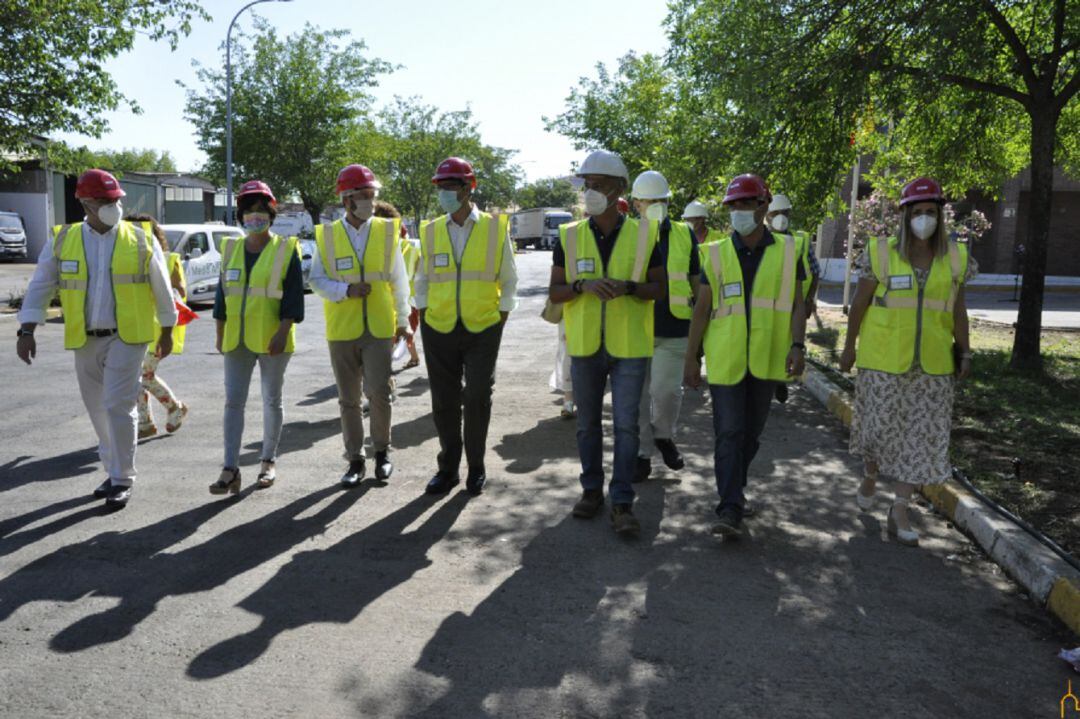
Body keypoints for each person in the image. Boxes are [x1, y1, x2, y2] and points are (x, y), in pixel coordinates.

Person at [16, 169, 177, 509]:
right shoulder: (63, 239)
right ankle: (114, 468)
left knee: (118, 404)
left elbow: (163, 288)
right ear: (84, 203)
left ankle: (122, 478)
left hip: (128, 336)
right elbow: (41, 285)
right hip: (85, 337)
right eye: (103, 201)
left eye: (115, 200)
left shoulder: (141, 238)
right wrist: (27, 328)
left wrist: (166, 329)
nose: (112, 206)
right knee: (97, 410)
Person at [839, 176, 974, 548]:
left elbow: (958, 311)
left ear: (940, 217)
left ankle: (899, 509)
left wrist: (964, 351)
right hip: (882, 360)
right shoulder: (881, 254)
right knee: (877, 431)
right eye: (918, 212)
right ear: (905, 216)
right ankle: (870, 473)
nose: (924, 219)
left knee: (919, 437)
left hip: (932, 366)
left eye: (931, 212)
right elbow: (861, 305)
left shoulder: (956, 259)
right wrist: (848, 347)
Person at [684, 174, 808, 538]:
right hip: (726, 360)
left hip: (768, 359)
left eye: (746, 204)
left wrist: (798, 346)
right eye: (733, 205)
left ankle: (734, 490)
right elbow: (702, 309)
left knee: (751, 435)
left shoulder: (788, 251)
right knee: (729, 431)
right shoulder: (716, 253)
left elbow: (799, 304)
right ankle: (730, 507)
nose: (739, 211)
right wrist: (691, 357)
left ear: (763, 207)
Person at [548, 150, 665, 536]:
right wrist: (582, 286)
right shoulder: (569, 235)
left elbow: (659, 288)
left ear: (618, 189)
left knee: (627, 426)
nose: (589, 191)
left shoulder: (646, 233)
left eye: (597, 185)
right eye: (586, 185)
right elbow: (556, 291)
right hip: (584, 346)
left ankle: (622, 501)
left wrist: (629, 287)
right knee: (587, 426)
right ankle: (591, 490)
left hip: (630, 346)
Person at [414, 157, 518, 496]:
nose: (445, 192)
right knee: (444, 400)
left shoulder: (493, 228)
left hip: (483, 327)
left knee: (476, 396)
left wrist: (500, 317)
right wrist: (425, 313)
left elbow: (509, 279)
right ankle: (447, 469)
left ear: (469, 188)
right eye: (441, 187)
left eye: (452, 186)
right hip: (438, 326)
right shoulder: (429, 230)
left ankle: (476, 467)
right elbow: (423, 279)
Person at [310, 165, 412, 488]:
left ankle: (382, 452)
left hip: (380, 326)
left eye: (372, 195)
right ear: (346, 199)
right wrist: (345, 291)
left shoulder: (385, 231)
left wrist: (404, 320)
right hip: (342, 329)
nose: (370, 201)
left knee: (379, 393)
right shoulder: (326, 235)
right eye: (363, 195)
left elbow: (399, 279)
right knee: (349, 399)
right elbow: (316, 280)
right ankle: (355, 460)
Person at [210, 180, 304, 496]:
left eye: (261, 211)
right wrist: (220, 333)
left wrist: (282, 332)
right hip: (236, 339)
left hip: (271, 339)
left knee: (271, 400)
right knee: (232, 402)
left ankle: (267, 461)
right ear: (240, 216)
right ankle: (229, 468)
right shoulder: (231, 248)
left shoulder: (285, 249)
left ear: (271, 213)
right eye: (249, 211)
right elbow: (223, 296)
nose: (255, 217)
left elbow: (293, 297)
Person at [630, 170, 699, 482]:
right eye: (648, 201)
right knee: (640, 397)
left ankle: (663, 436)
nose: (655, 205)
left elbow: (696, 283)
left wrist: (700, 338)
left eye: (660, 200)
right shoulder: (629, 233)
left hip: (674, 328)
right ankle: (643, 454)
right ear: (636, 204)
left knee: (667, 392)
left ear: (668, 201)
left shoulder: (685, 234)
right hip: (635, 327)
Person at [128, 213, 190, 439]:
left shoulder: (168, 259)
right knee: (137, 375)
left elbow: (182, 293)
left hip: (158, 329)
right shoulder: (126, 260)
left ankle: (175, 407)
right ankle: (145, 422)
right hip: (134, 327)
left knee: (144, 375)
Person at [765, 193, 822, 403]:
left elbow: (815, 271)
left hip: (793, 303)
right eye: (775, 213)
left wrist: (809, 299)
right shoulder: (759, 239)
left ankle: (779, 379)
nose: (780, 216)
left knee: (789, 340)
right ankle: (770, 379)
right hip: (766, 303)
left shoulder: (800, 242)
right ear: (767, 215)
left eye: (784, 213)